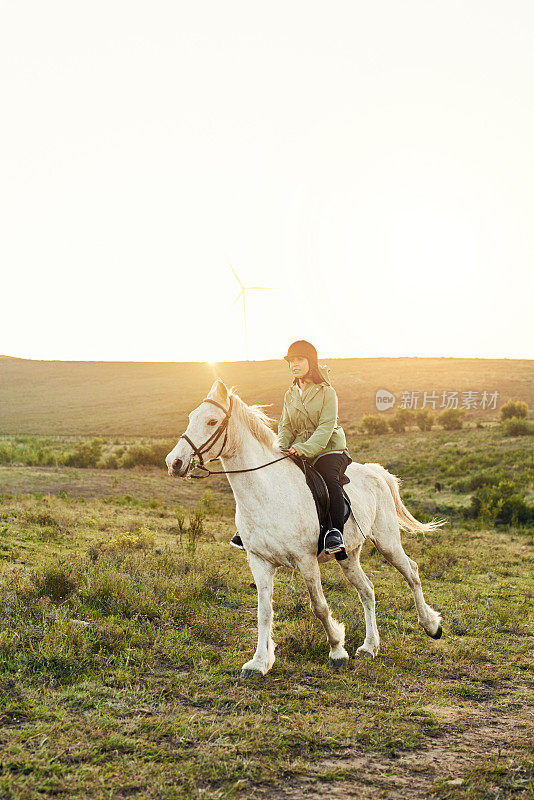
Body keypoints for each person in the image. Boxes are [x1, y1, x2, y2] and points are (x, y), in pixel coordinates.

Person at [231, 340, 352, 556]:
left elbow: (325, 428)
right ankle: (253, 530)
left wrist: (304, 448)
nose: (294, 365)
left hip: (328, 449)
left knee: (329, 479)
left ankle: (335, 532)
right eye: (291, 361)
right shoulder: (291, 393)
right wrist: (280, 449)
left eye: (299, 360)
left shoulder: (327, 392)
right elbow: (285, 426)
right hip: (298, 448)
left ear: (310, 362)